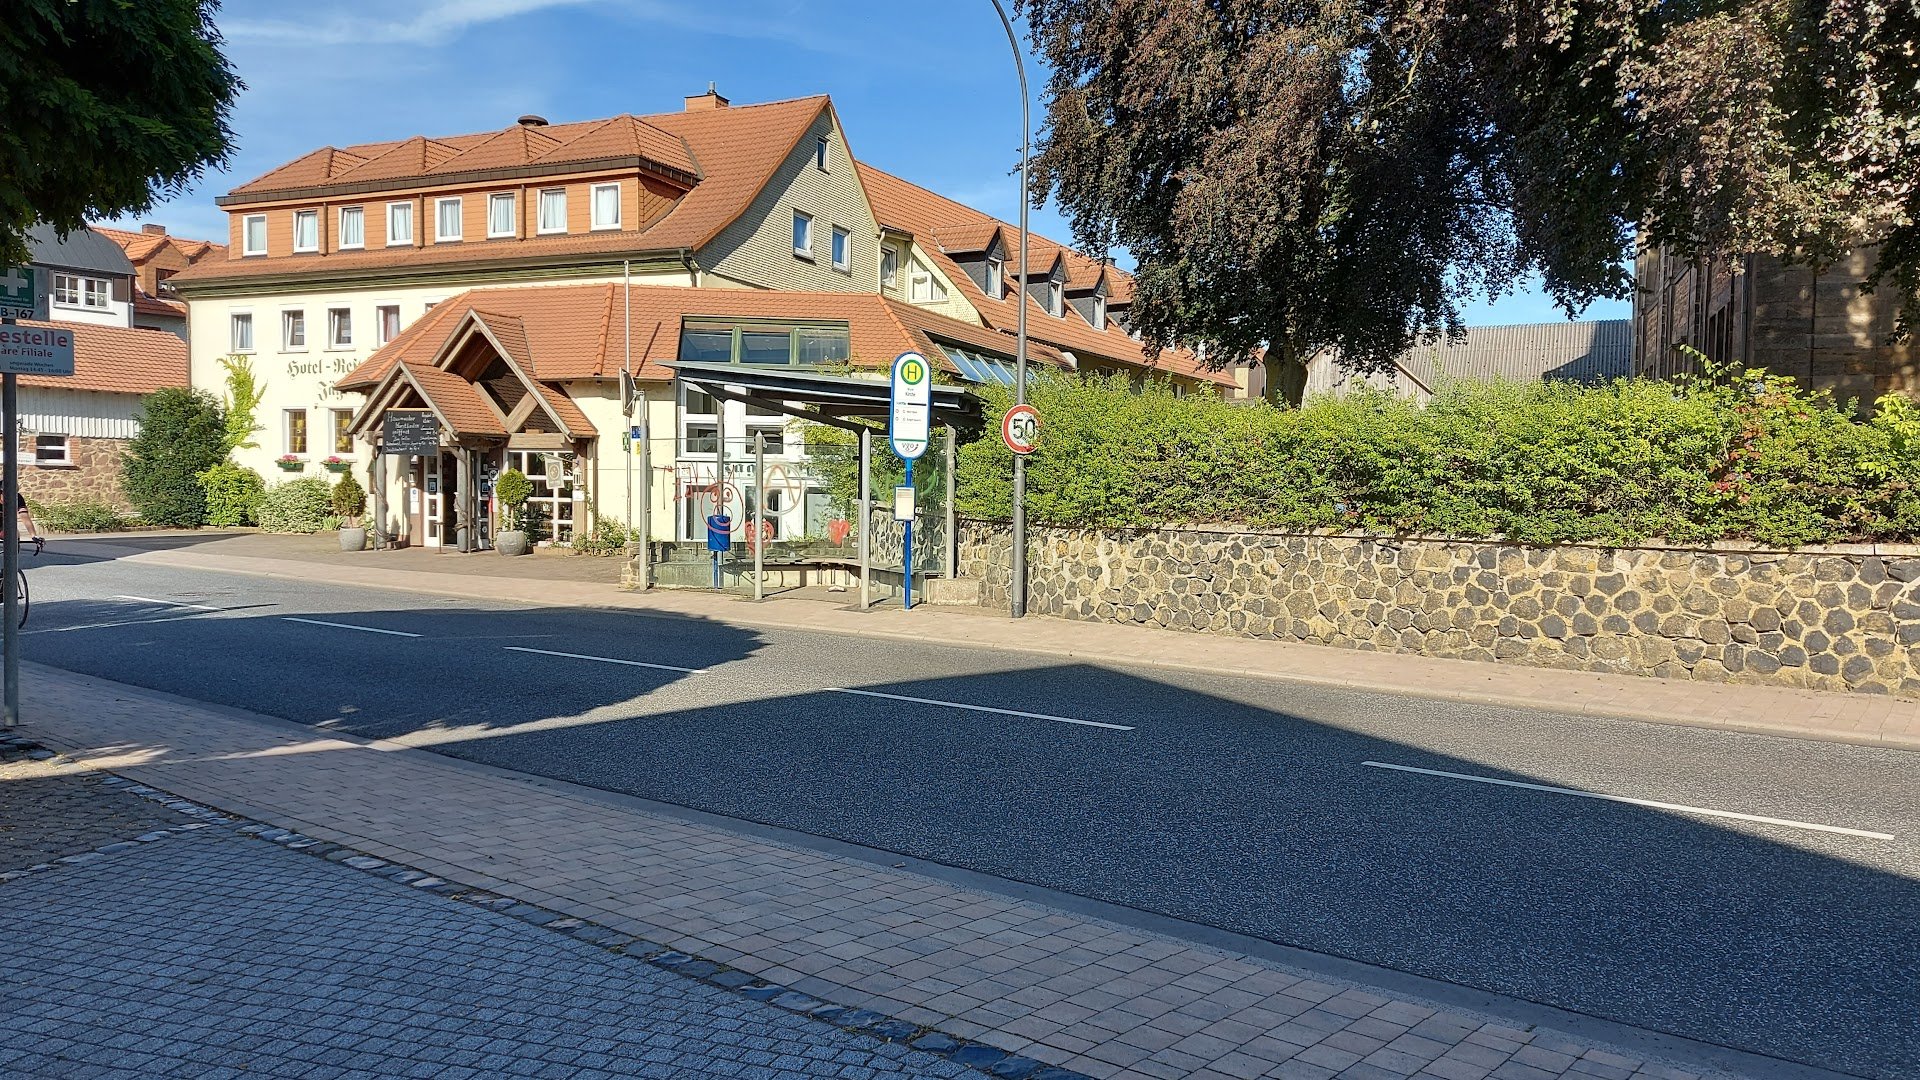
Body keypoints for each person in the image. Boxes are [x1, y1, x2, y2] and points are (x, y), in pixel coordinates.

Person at [6, 487, 42, 556]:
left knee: (14, 534)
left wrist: (34, 535)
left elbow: (24, 516)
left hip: (4, 526)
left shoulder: (17, 497)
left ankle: (12, 557)